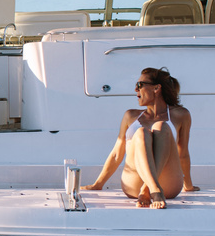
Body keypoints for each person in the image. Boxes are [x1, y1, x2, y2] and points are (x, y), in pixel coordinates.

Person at [82, 68, 196, 208]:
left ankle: (149, 188)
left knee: (161, 126)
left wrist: (188, 186)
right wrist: (98, 184)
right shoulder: (130, 116)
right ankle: (154, 189)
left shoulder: (181, 115)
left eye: (140, 85)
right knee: (141, 133)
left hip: (167, 184)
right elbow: (117, 154)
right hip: (135, 184)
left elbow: (182, 153)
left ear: (156, 88)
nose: (136, 89)